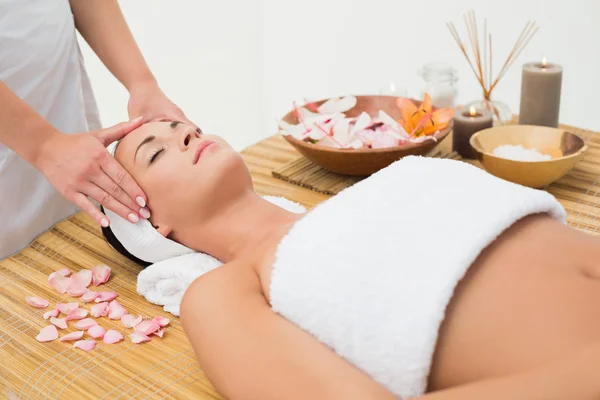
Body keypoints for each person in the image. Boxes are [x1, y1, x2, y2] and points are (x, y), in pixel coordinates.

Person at [104, 121, 600, 399]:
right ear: (152, 225)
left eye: (185, 127)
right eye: (156, 153)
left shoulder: (375, 193)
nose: (187, 135)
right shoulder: (221, 293)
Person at [0, 0, 195, 259]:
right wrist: (42, 144)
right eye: (155, 153)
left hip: (56, 96)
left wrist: (142, 83)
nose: (191, 135)